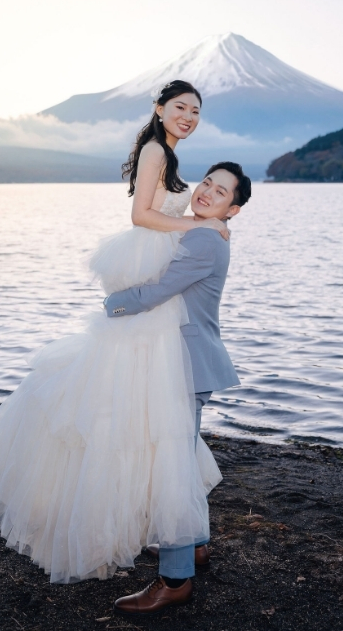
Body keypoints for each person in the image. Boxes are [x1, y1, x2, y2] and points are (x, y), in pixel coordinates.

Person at [0, 80, 230, 586]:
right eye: (180, 108)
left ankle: (176, 532)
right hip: (149, 264)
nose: (188, 116)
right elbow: (140, 215)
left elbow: (165, 212)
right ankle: (160, 531)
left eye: (195, 110)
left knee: (143, 397)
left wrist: (202, 221)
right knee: (126, 397)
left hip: (158, 266)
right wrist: (200, 227)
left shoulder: (166, 152)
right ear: (160, 109)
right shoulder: (155, 149)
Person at [108, 161, 251, 613]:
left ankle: (174, 580)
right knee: (182, 459)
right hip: (187, 361)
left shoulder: (207, 238)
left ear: (234, 209)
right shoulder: (206, 232)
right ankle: (195, 546)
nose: (208, 192)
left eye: (221, 191)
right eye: (207, 182)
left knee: (171, 466)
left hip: (184, 366)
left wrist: (112, 303)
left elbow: (160, 290)